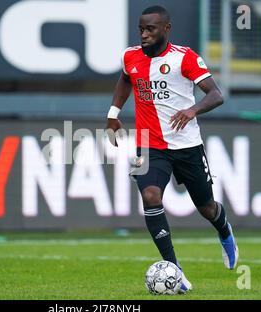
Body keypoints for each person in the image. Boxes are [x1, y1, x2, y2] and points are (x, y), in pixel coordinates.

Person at [106, 5, 239, 293]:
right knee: (151, 195)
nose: (144, 34)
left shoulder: (185, 58)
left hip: (186, 145)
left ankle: (224, 231)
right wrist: (113, 114)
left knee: (206, 207)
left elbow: (216, 94)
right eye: (141, 28)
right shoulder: (130, 56)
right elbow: (126, 79)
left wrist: (193, 110)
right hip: (148, 144)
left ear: (166, 29)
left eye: (150, 29)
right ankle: (175, 270)